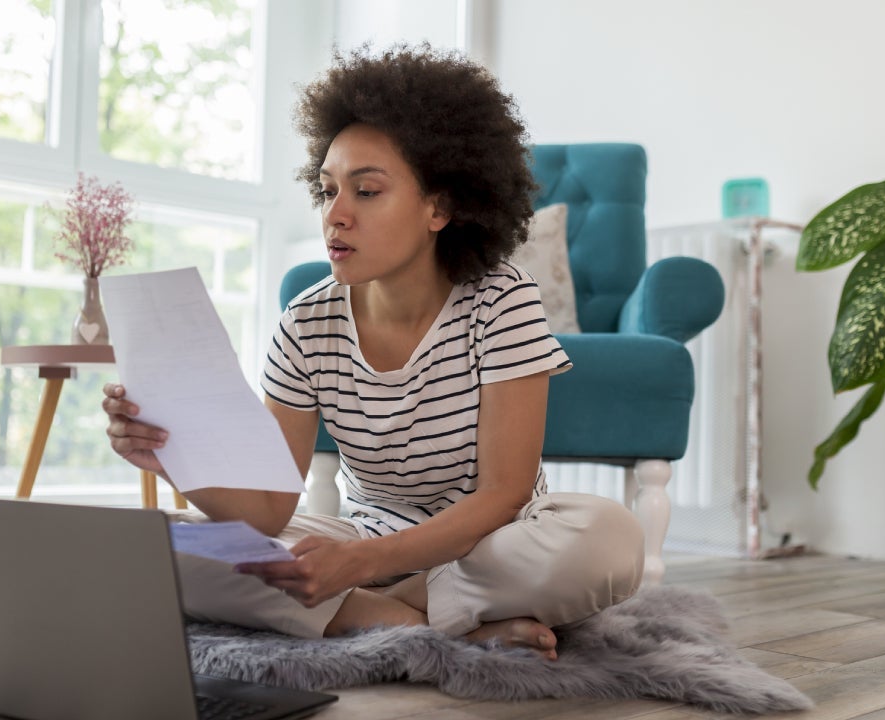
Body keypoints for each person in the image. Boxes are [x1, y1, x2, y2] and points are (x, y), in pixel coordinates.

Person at [102, 44, 643, 660]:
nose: (335, 215)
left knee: (608, 537)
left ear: (439, 207)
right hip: (362, 536)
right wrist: (174, 458)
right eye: (328, 190)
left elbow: (504, 494)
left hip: (489, 545)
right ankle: (434, 626)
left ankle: (378, 610)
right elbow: (269, 509)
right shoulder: (305, 322)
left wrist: (360, 564)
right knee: (164, 545)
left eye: (365, 191)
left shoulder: (502, 298)